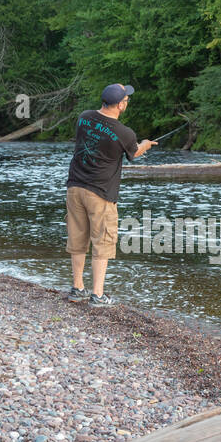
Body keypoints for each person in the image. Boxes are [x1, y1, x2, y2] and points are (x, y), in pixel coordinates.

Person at [65, 83, 156, 305]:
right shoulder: (124, 133)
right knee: (102, 242)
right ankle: (97, 294)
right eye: (126, 100)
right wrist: (145, 144)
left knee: (77, 239)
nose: (128, 103)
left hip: (75, 187)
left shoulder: (84, 117)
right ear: (120, 104)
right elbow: (134, 153)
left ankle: (78, 289)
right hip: (101, 193)